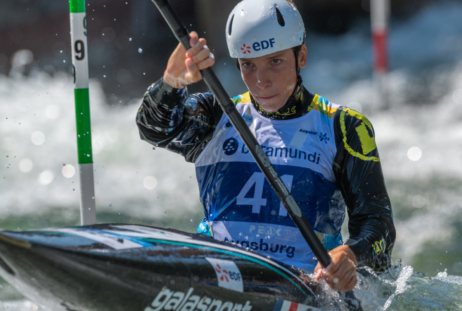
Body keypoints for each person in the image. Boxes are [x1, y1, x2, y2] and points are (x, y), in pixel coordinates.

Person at [136, 0, 396, 292]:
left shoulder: (344, 127)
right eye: (248, 65)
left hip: (303, 287)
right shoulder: (217, 116)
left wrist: (350, 255)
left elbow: (378, 226)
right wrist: (172, 83)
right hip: (218, 278)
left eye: (275, 62)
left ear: (302, 56)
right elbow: (153, 129)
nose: (261, 81)